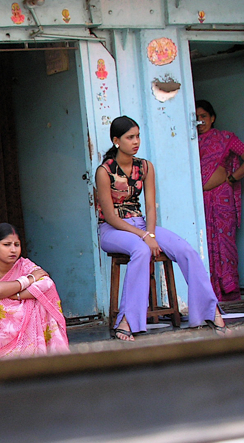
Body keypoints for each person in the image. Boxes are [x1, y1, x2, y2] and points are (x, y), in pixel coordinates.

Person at [96, 116, 228, 341]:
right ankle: (127, 320)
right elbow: (109, 216)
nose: (136, 141)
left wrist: (151, 233)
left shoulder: (145, 166)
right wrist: (145, 236)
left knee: (186, 250)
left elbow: (150, 206)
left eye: (137, 136)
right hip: (112, 230)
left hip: (141, 225)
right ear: (116, 140)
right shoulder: (104, 171)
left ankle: (210, 311)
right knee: (141, 250)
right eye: (130, 137)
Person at [0, 223, 69, 358]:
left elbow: (47, 283)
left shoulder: (25, 265)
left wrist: (16, 295)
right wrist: (28, 280)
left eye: (16, 245)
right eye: (6, 245)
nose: (13, 250)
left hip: (26, 324)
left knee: (40, 300)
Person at [196, 100, 244, 302]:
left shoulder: (226, 138)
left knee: (225, 245)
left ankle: (229, 295)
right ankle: (209, 297)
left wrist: (232, 178)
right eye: (196, 118)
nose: (200, 121)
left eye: (203, 116)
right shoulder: (187, 143)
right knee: (202, 247)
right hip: (200, 204)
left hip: (222, 203)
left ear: (212, 118)